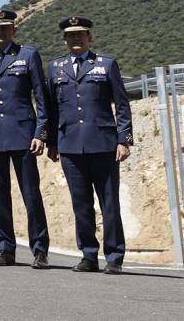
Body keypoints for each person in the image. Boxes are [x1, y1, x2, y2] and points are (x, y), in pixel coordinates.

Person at [46, 16, 133, 274]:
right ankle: (88, 255)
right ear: (64, 39)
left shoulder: (105, 64)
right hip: (70, 146)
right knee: (80, 203)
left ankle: (115, 256)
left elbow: (122, 103)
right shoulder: (55, 67)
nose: (75, 39)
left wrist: (124, 139)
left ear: (89, 37)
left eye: (80, 34)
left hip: (104, 145)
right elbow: (51, 109)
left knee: (109, 203)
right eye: (70, 35)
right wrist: (51, 141)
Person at [0, 8, 51, 269]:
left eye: (5, 28)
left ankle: (39, 250)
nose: (0, 32)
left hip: (23, 135)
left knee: (31, 194)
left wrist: (41, 132)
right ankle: (5, 249)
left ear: (13, 29)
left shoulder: (28, 55)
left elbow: (41, 97)